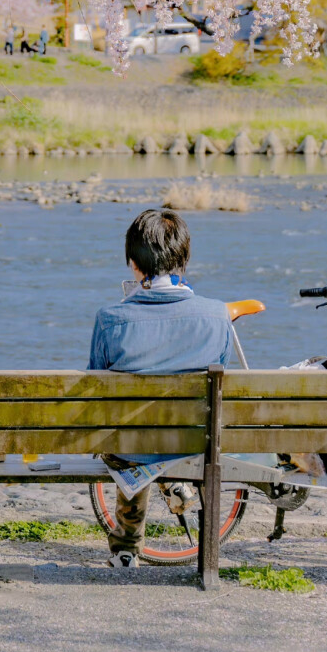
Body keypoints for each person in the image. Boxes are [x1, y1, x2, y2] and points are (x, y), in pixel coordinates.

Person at [88, 207, 232, 569]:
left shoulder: (110, 320)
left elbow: (93, 392)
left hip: (130, 448)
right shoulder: (218, 316)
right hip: (192, 444)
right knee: (171, 429)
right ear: (183, 259)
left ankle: (125, 550)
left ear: (134, 266)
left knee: (128, 432)